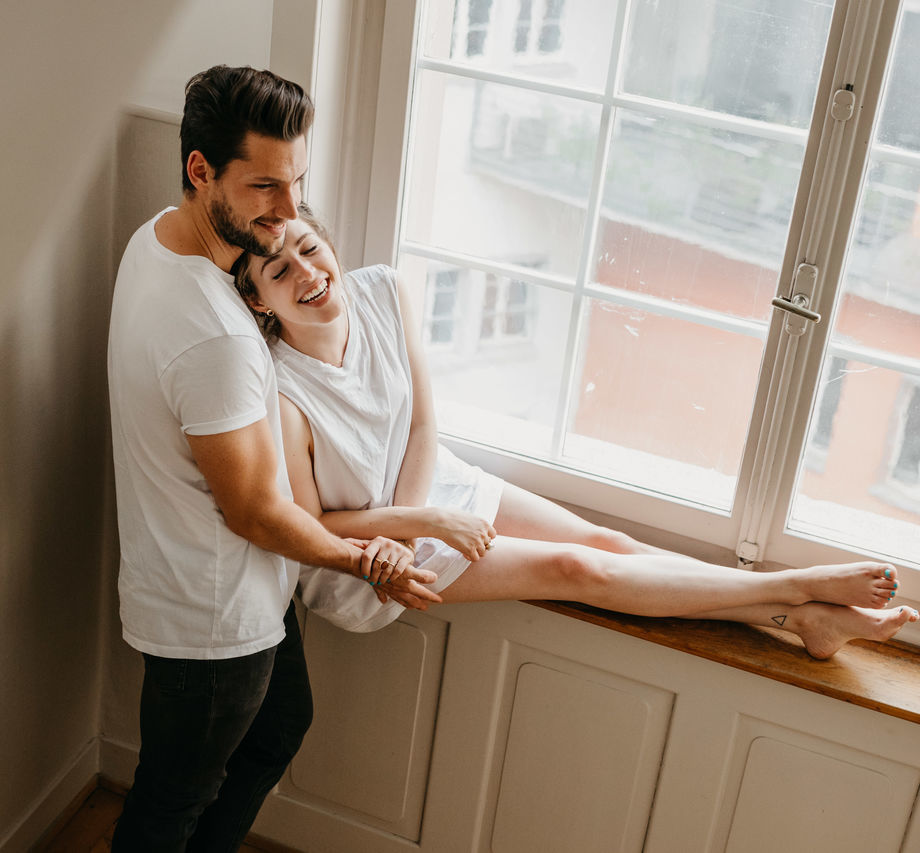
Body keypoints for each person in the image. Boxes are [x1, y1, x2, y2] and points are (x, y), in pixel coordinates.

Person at [232, 204, 918, 658]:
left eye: (309, 248)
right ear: (260, 299)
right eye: (278, 269)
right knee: (578, 567)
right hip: (364, 568)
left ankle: (798, 616)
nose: (307, 273)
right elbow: (317, 525)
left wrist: (422, 518)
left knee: (609, 540)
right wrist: (421, 529)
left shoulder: (384, 291)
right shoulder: (284, 392)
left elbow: (421, 424)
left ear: (330, 243)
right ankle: (798, 589)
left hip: (423, 499)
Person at [106, 66, 441, 853]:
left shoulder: (156, 238)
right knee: (170, 803)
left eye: (297, 184)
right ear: (201, 171)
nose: (289, 211)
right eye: (265, 186)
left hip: (230, 590)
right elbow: (256, 511)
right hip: (214, 620)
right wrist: (367, 559)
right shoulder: (217, 336)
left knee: (279, 726)